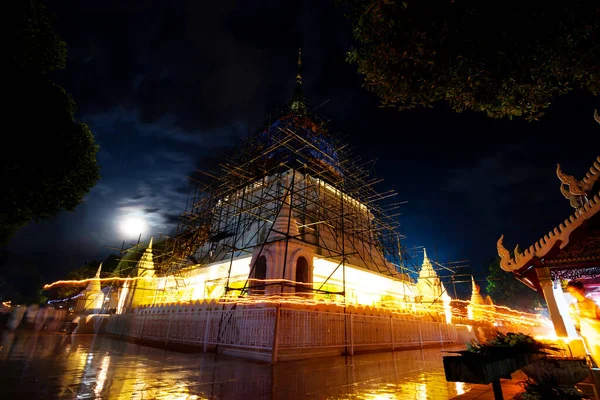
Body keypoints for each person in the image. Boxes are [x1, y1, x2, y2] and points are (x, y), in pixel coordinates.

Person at [567, 280, 600, 367]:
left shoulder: (593, 304)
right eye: (570, 292)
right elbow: (577, 324)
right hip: (589, 337)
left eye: (574, 291)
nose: (572, 294)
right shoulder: (573, 307)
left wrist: (587, 319)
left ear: (581, 290)